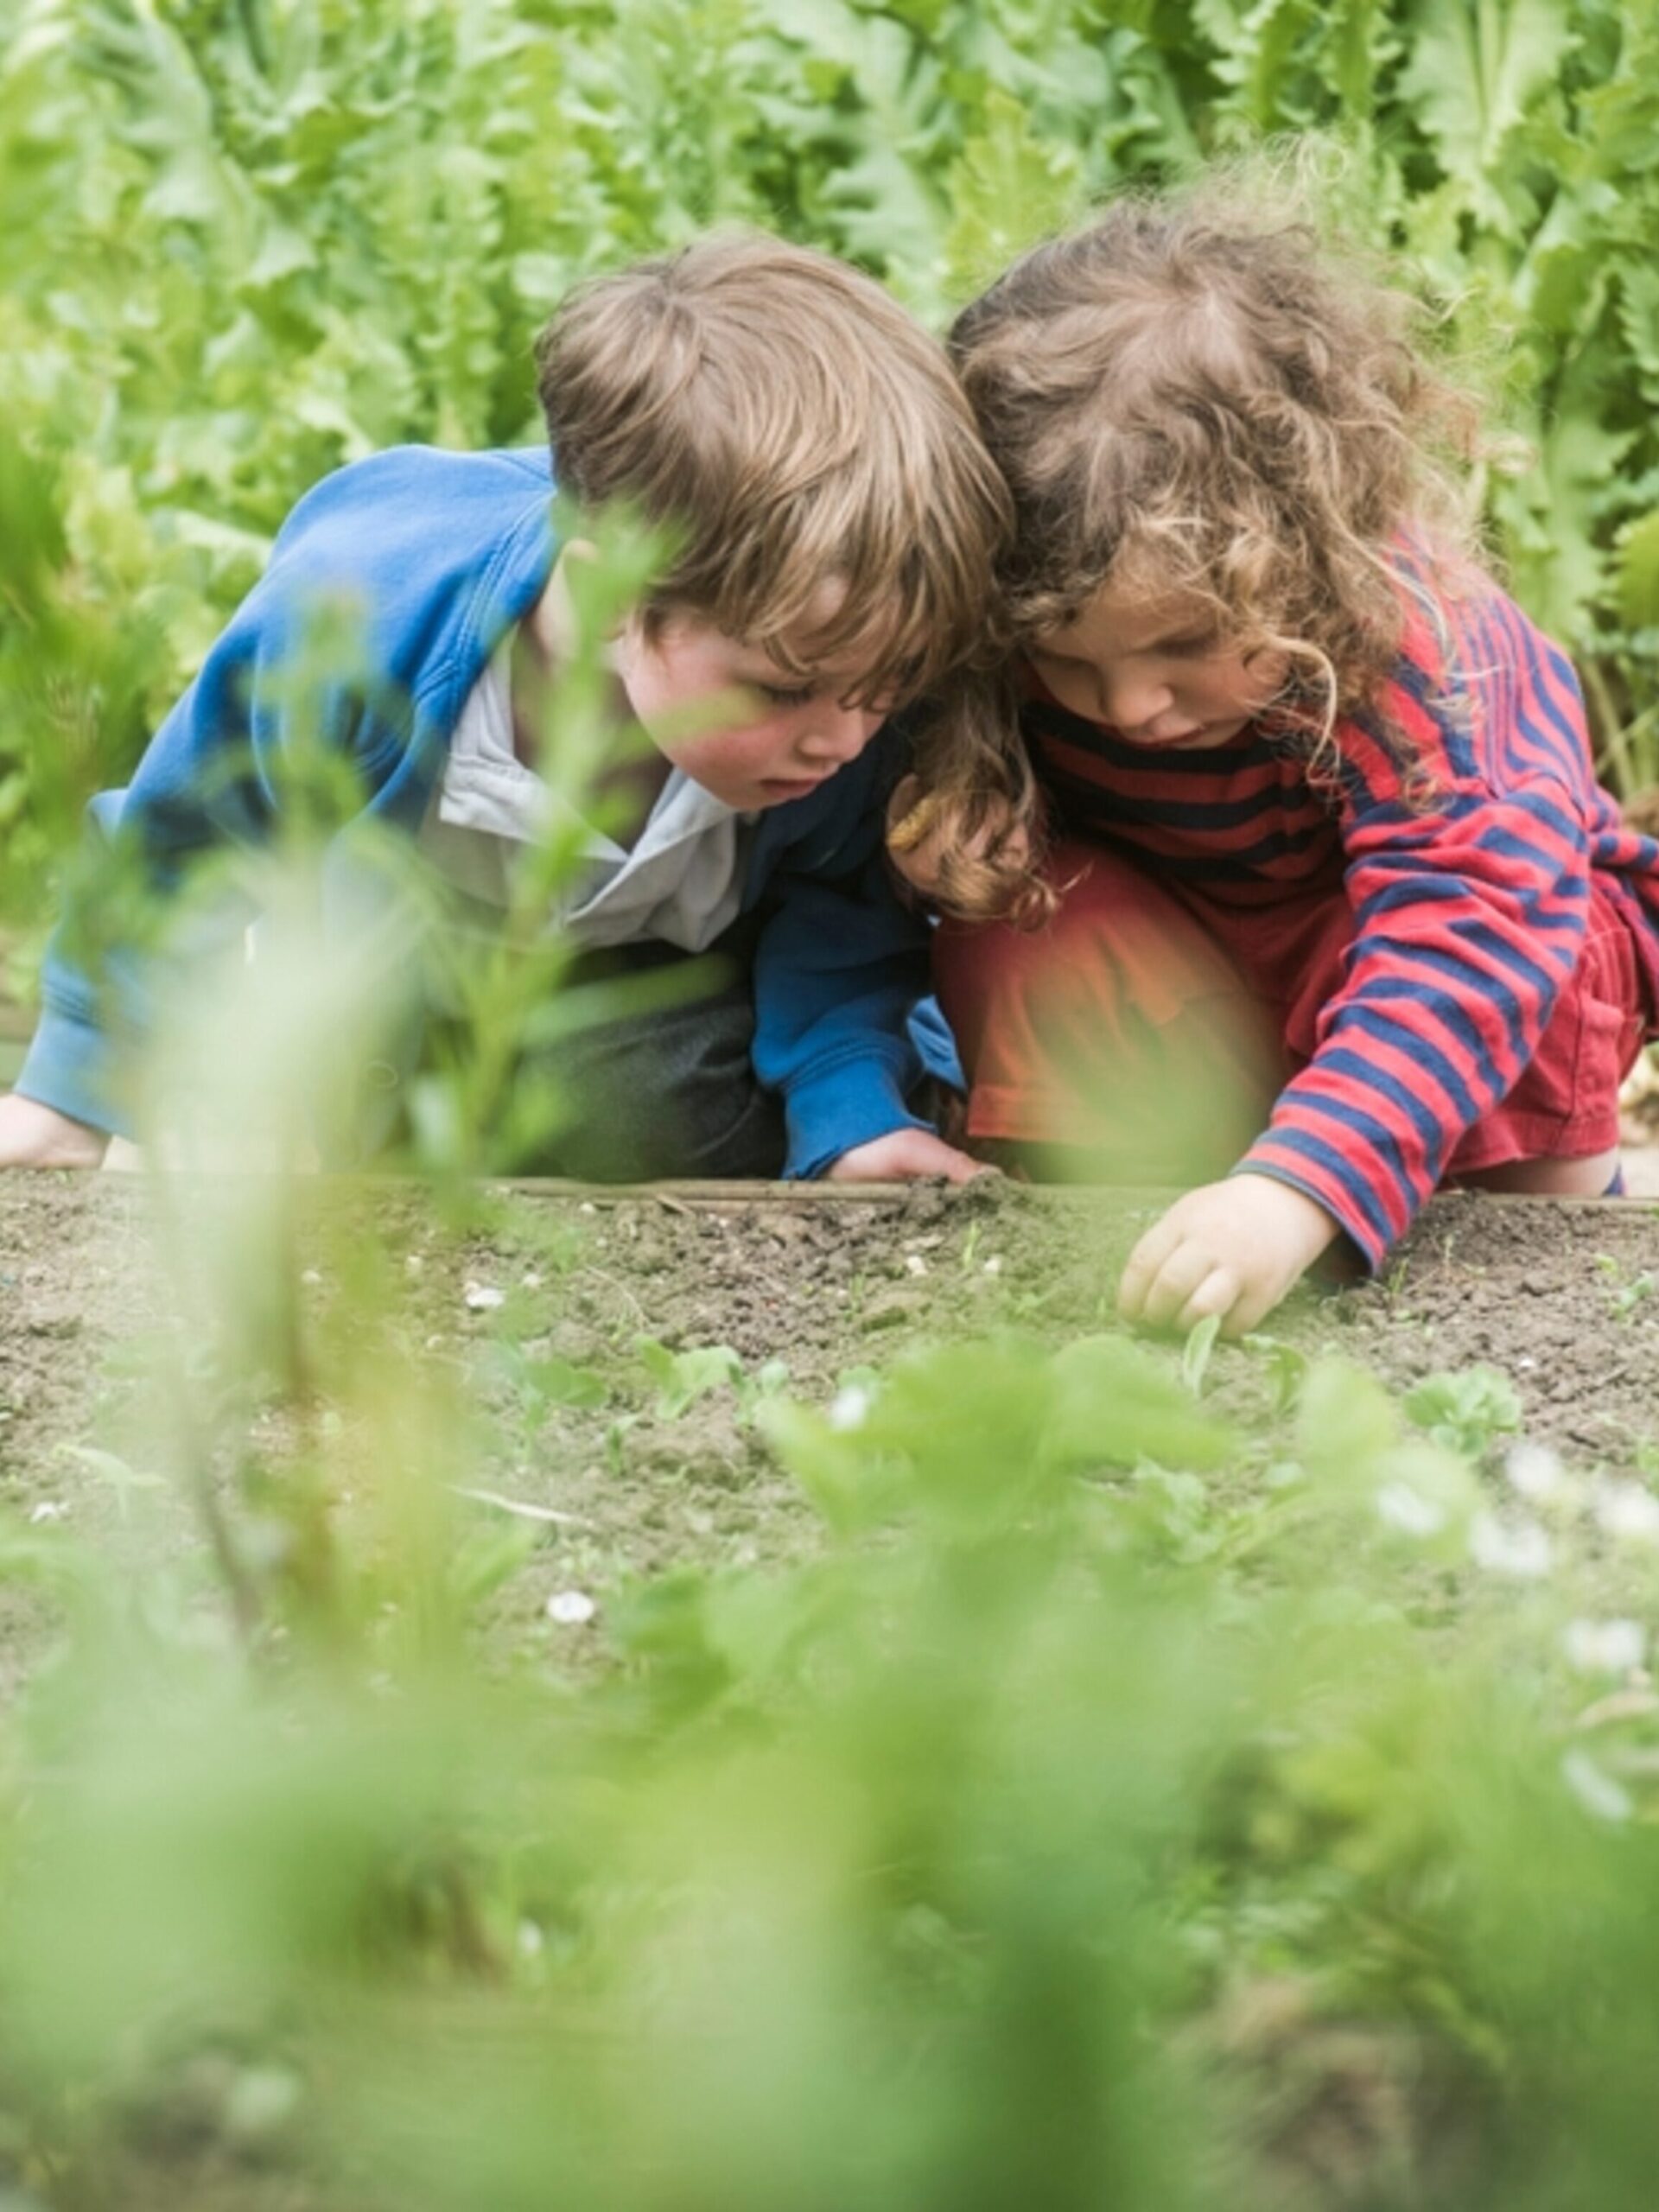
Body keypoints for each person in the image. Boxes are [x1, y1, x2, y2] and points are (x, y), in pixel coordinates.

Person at [0, 232, 1030, 1184]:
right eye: (786, 689)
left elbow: (843, 919)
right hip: (382, 950)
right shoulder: (359, 629)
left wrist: (853, 1118)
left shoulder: (838, 675)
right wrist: (73, 1093)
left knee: (661, 1105)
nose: (845, 738)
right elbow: (183, 842)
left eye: (884, 687)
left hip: (633, 989)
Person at [893, 190, 1659, 1333]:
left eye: (1188, 645)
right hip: (1220, 980)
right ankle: (1150, 1209)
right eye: (1064, 658)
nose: (1132, 704)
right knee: (1016, 908)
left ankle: (1563, 1213)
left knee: (1534, 991)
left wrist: (1301, 1183)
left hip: (1446, 975)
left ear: (1311, 553)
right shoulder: (1029, 621)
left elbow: (1474, 921)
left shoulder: (1422, 651)